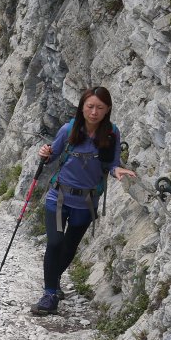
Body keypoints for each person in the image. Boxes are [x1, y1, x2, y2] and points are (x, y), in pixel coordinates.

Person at [31, 87, 137, 315]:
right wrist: (44, 154)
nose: (94, 112)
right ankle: (49, 295)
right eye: (90, 106)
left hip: (87, 202)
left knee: (69, 247)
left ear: (108, 109)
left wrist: (117, 170)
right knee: (55, 243)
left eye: (100, 107)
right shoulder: (68, 129)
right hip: (59, 197)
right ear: (82, 107)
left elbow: (112, 163)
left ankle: (54, 280)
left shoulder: (111, 134)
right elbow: (51, 157)